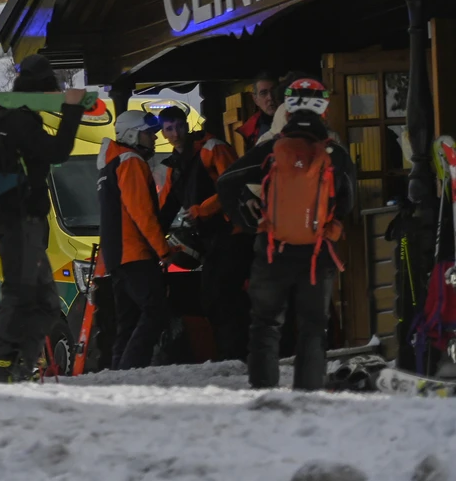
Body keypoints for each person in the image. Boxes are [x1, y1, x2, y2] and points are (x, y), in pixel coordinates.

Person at [216, 78, 354, 390]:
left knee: (266, 324)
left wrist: (249, 221)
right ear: (324, 110)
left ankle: (264, 389)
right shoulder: (336, 152)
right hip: (317, 253)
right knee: (313, 327)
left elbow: (226, 181)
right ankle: (309, 392)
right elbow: (348, 201)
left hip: (271, 249)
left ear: (287, 110)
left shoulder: (270, 148)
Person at [0, 53, 86, 382]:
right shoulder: (20, 122)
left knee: (44, 302)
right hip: (19, 223)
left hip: (19, 221)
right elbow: (57, 152)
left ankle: (22, 366)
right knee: (21, 293)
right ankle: (5, 367)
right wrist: (72, 108)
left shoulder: (11, 121)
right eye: (51, 92)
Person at [158, 104, 249, 360]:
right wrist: (154, 242)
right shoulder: (173, 166)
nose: (175, 132)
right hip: (211, 240)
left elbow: (234, 186)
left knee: (222, 296)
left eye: (178, 126)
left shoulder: (212, 148)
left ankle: (235, 355)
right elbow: (165, 208)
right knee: (214, 297)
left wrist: (201, 210)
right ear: (163, 134)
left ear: (187, 125)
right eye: (169, 128)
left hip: (233, 234)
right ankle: (230, 354)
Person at [100, 110, 170, 369]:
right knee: (155, 312)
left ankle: (120, 373)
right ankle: (131, 368)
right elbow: (142, 213)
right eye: (148, 133)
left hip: (117, 256)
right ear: (132, 134)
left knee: (127, 321)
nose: (154, 138)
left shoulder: (111, 162)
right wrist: (163, 250)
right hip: (135, 253)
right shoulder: (130, 161)